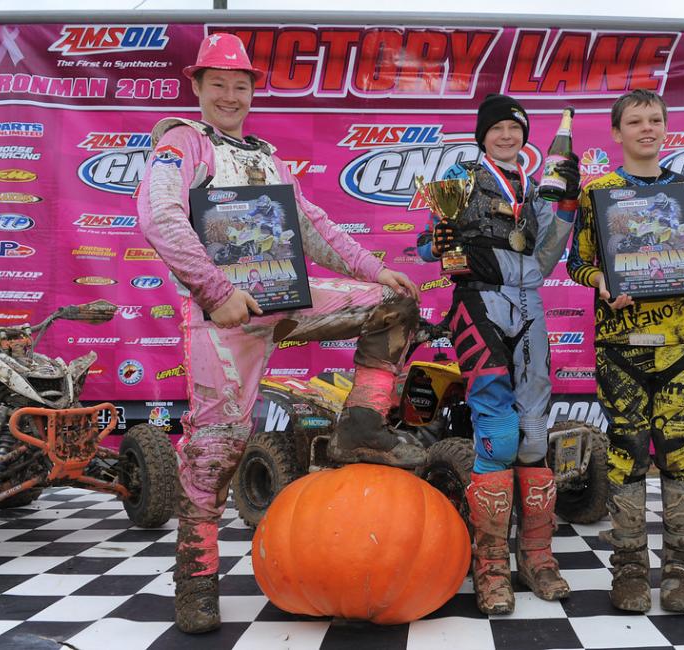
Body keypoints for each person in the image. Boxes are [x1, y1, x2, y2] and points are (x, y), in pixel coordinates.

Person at [137, 33, 422, 634]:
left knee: (393, 305)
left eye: (241, 86)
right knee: (218, 448)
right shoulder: (181, 143)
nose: (231, 95)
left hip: (283, 301)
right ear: (197, 87)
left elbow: (311, 227)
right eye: (219, 84)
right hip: (224, 316)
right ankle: (196, 578)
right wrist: (215, 292)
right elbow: (159, 215)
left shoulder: (266, 153)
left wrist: (374, 269)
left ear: (251, 92)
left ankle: (361, 427)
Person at [417, 94, 580, 615]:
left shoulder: (536, 186)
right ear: (482, 134)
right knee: (499, 432)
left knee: (534, 436)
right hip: (477, 302)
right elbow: (427, 246)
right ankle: (489, 567)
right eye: (498, 129)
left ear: (526, 136)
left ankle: (537, 557)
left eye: (516, 128)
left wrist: (568, 209)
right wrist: (437, 240)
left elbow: (546, 256)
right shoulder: (459, 173)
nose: (507, 136)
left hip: (529, 305)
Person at [566, 89, 684, 614]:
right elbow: (576, 265)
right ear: (617, 133)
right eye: (636, 121)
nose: (647, 128)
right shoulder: (597, 194)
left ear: (665, 127)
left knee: (679, 452)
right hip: (619, 347)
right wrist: (603, 282)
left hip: (679, 345)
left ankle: (682, 569)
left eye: (655, 119)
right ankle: (628, 568)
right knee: (626, 453)